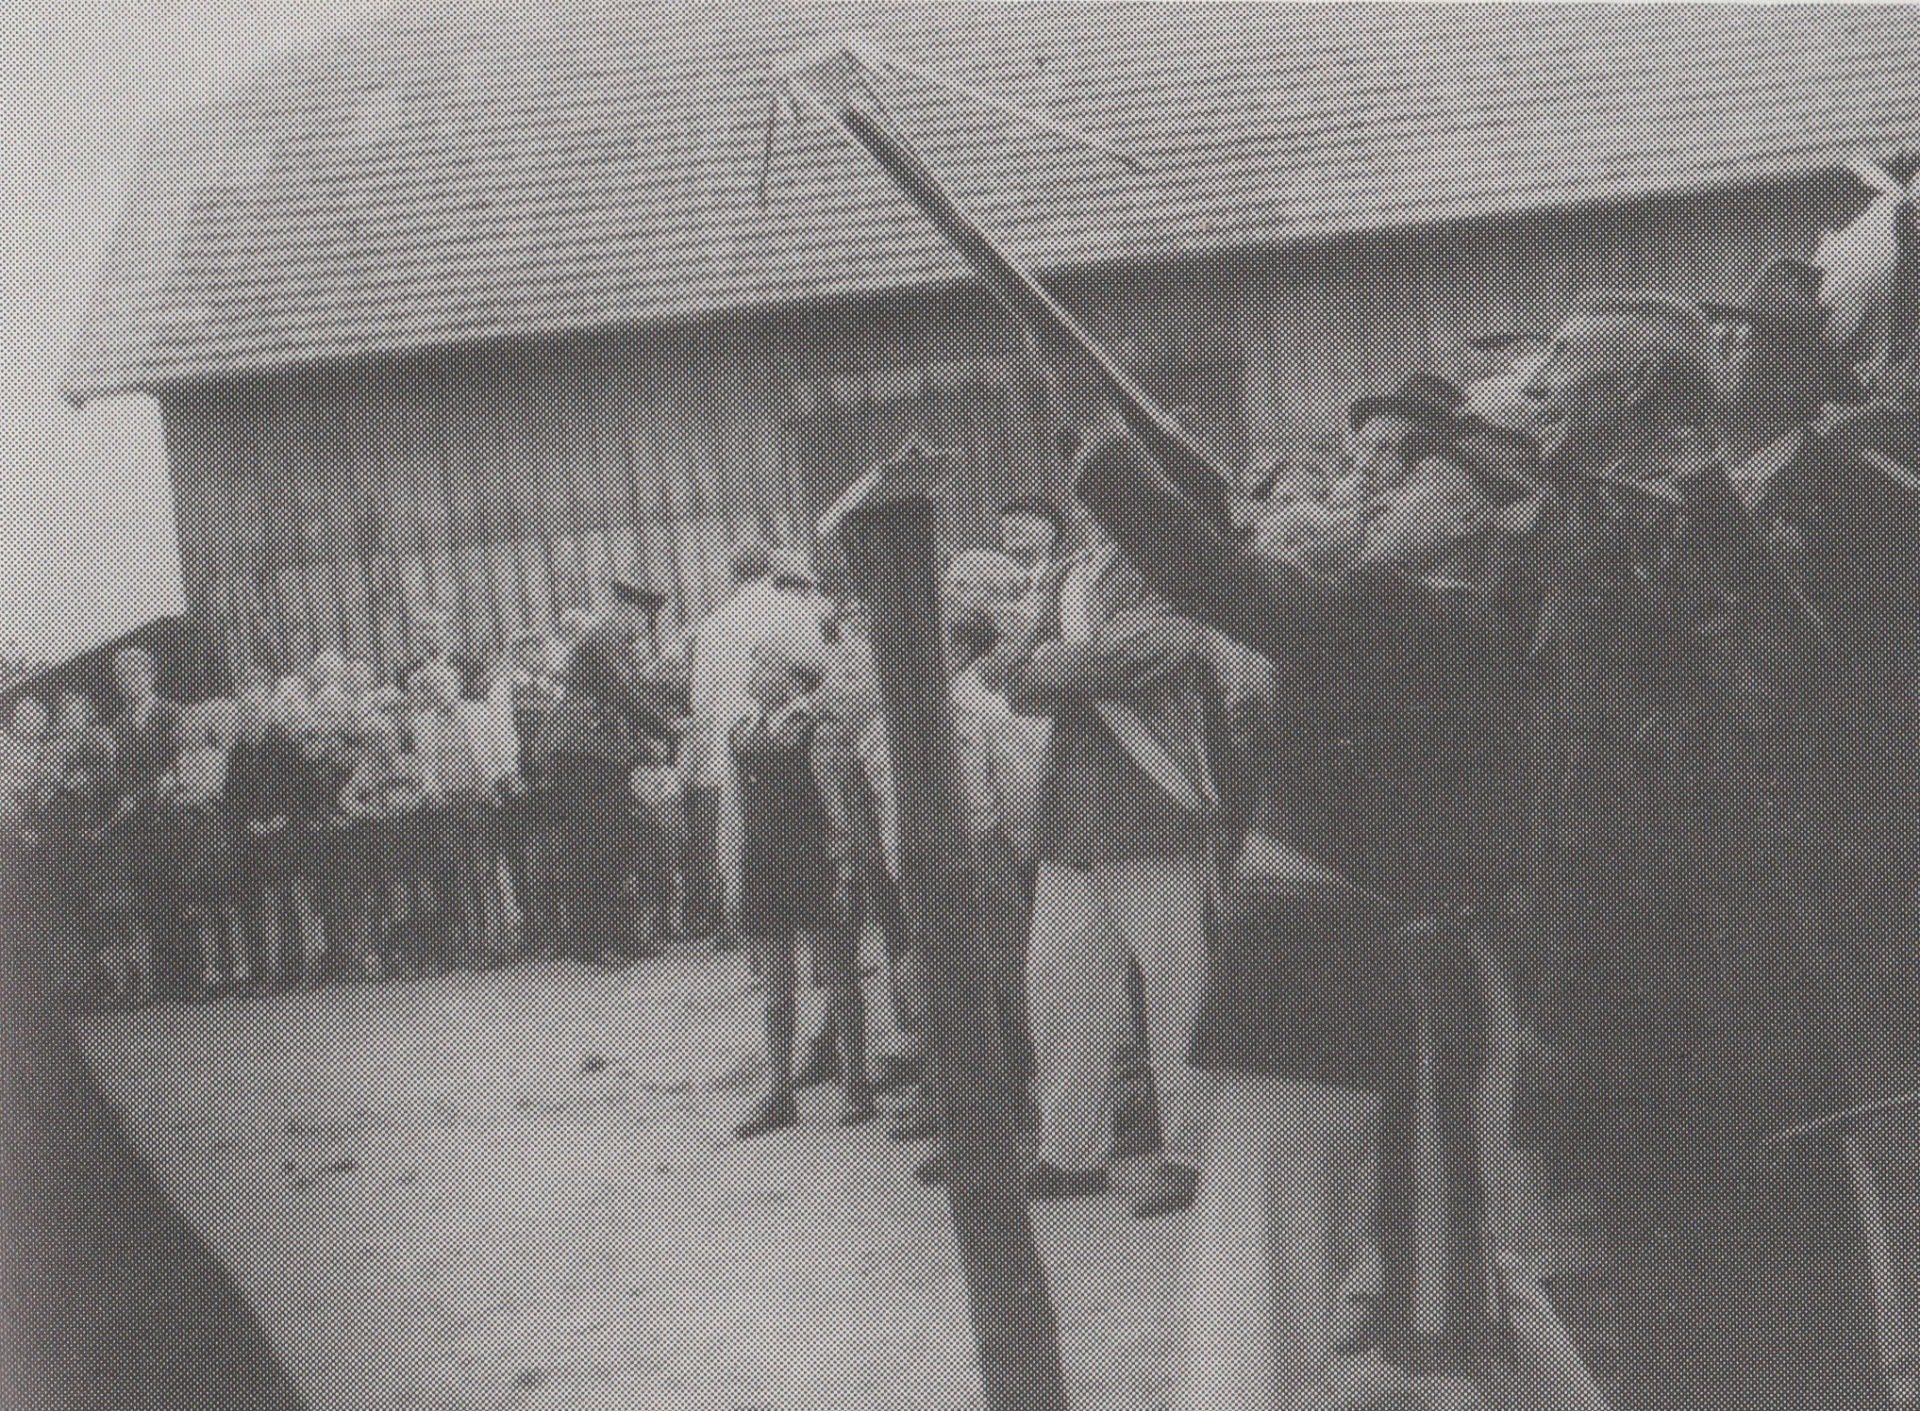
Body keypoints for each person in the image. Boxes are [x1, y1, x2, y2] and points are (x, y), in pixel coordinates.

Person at [1076, 292, 1891, 1408]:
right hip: (1530, 998)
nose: (1377, 490)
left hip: (1546, 1003)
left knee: (1277, 1266)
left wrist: (1108, 449)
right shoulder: (1528, 587)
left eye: (1410, 480)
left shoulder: (1433, 610)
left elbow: (1231, 580)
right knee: (1484, 1274)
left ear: (1471, 521)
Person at [977, 509, 1227, 1220]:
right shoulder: (1068, 574)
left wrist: (1057, 662)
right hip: (1072, 811)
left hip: (1151, 801)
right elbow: (1014, 682)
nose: (1095, 501)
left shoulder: (1173, 558)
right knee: (1057, 985)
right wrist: (1058, 664)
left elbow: (1150, 652)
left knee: (1178, 989)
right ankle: (1070, 1149)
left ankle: (1192, 1151)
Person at [730, 641, 874, 1138]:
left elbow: (837, 805)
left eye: (762, 665)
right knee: (775, 982)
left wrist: (844, 862)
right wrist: (735, 869)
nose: (752, 674)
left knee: (838, 972)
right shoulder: (744, 731)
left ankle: (856, 1083)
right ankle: (780, 1091)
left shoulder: (816, 729)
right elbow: (738, 811)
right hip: (765, 864)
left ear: (790, 678)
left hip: (813, 860)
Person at [684, 542, 832, 951]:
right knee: (809, 832)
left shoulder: (711, 626)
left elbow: (700, 702)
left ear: (732, 576)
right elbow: (818, 670)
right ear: (770, 570)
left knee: (746, 842)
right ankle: (824, 951)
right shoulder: (793, 611)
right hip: (794, 734)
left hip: (737, 743)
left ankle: (762, 955)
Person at [107, 647, 188, 995]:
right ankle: (164, 979)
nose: (130, 682)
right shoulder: (120, 723)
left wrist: (162, 785)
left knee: (177, 895)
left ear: (151, 675)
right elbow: (122, 774)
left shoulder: (171, 713)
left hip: (168, 817)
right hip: (136, 825)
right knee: (148, 898)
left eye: (137, 674)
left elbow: (180, 761)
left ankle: (188, 977)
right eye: (124, 677)